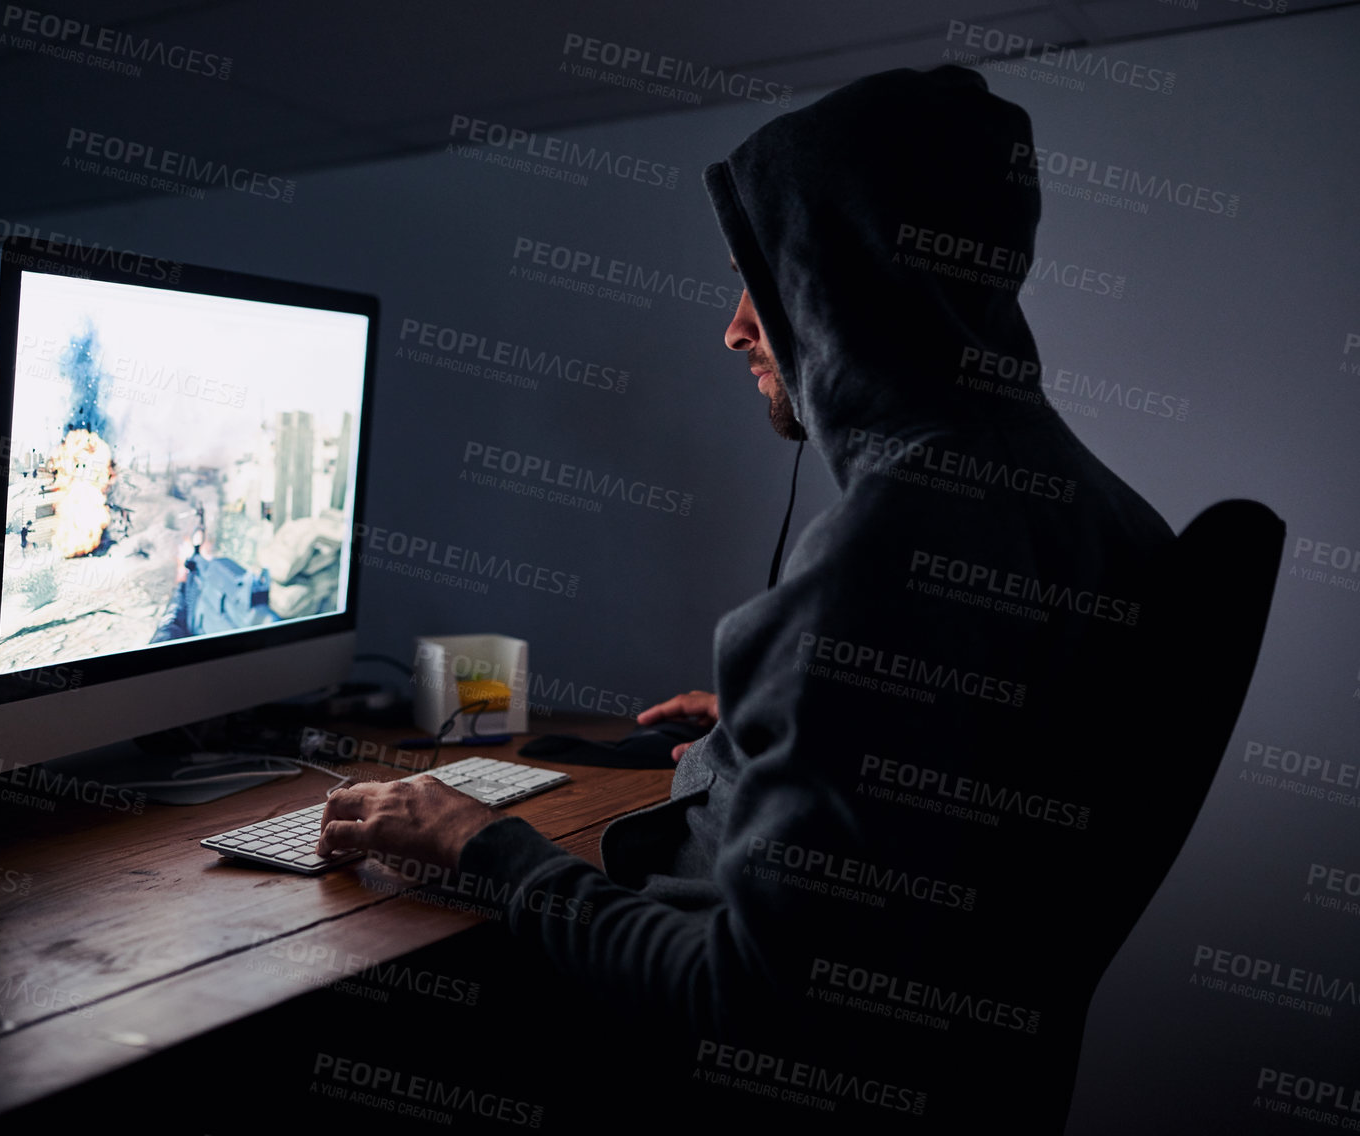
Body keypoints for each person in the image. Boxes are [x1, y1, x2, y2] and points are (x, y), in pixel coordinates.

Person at [318, 64, 1171, 1131]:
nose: (732, 330)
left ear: (841, 277)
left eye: (755, 281)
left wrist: (476, 843)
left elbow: (748, 1006)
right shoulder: (1090, 503)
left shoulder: (891, 547)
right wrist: (784, 728)